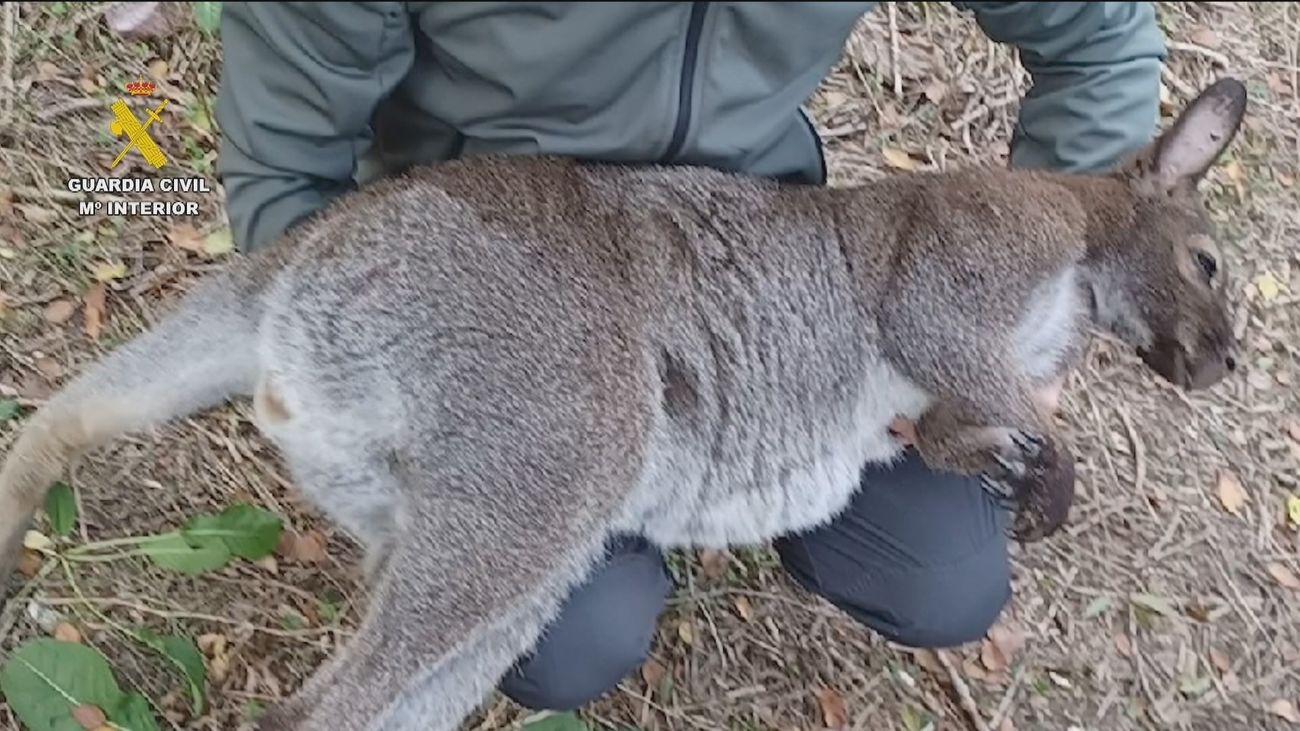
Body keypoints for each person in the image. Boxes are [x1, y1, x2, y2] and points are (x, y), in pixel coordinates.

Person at [213, 1, 1166, 712]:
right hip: (507, 276)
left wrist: (1027, 338)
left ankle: (723, 490)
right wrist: (375, 373)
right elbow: (285, 159)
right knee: (570, 638)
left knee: (944, 572)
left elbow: (1097, 39)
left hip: (763, 277)